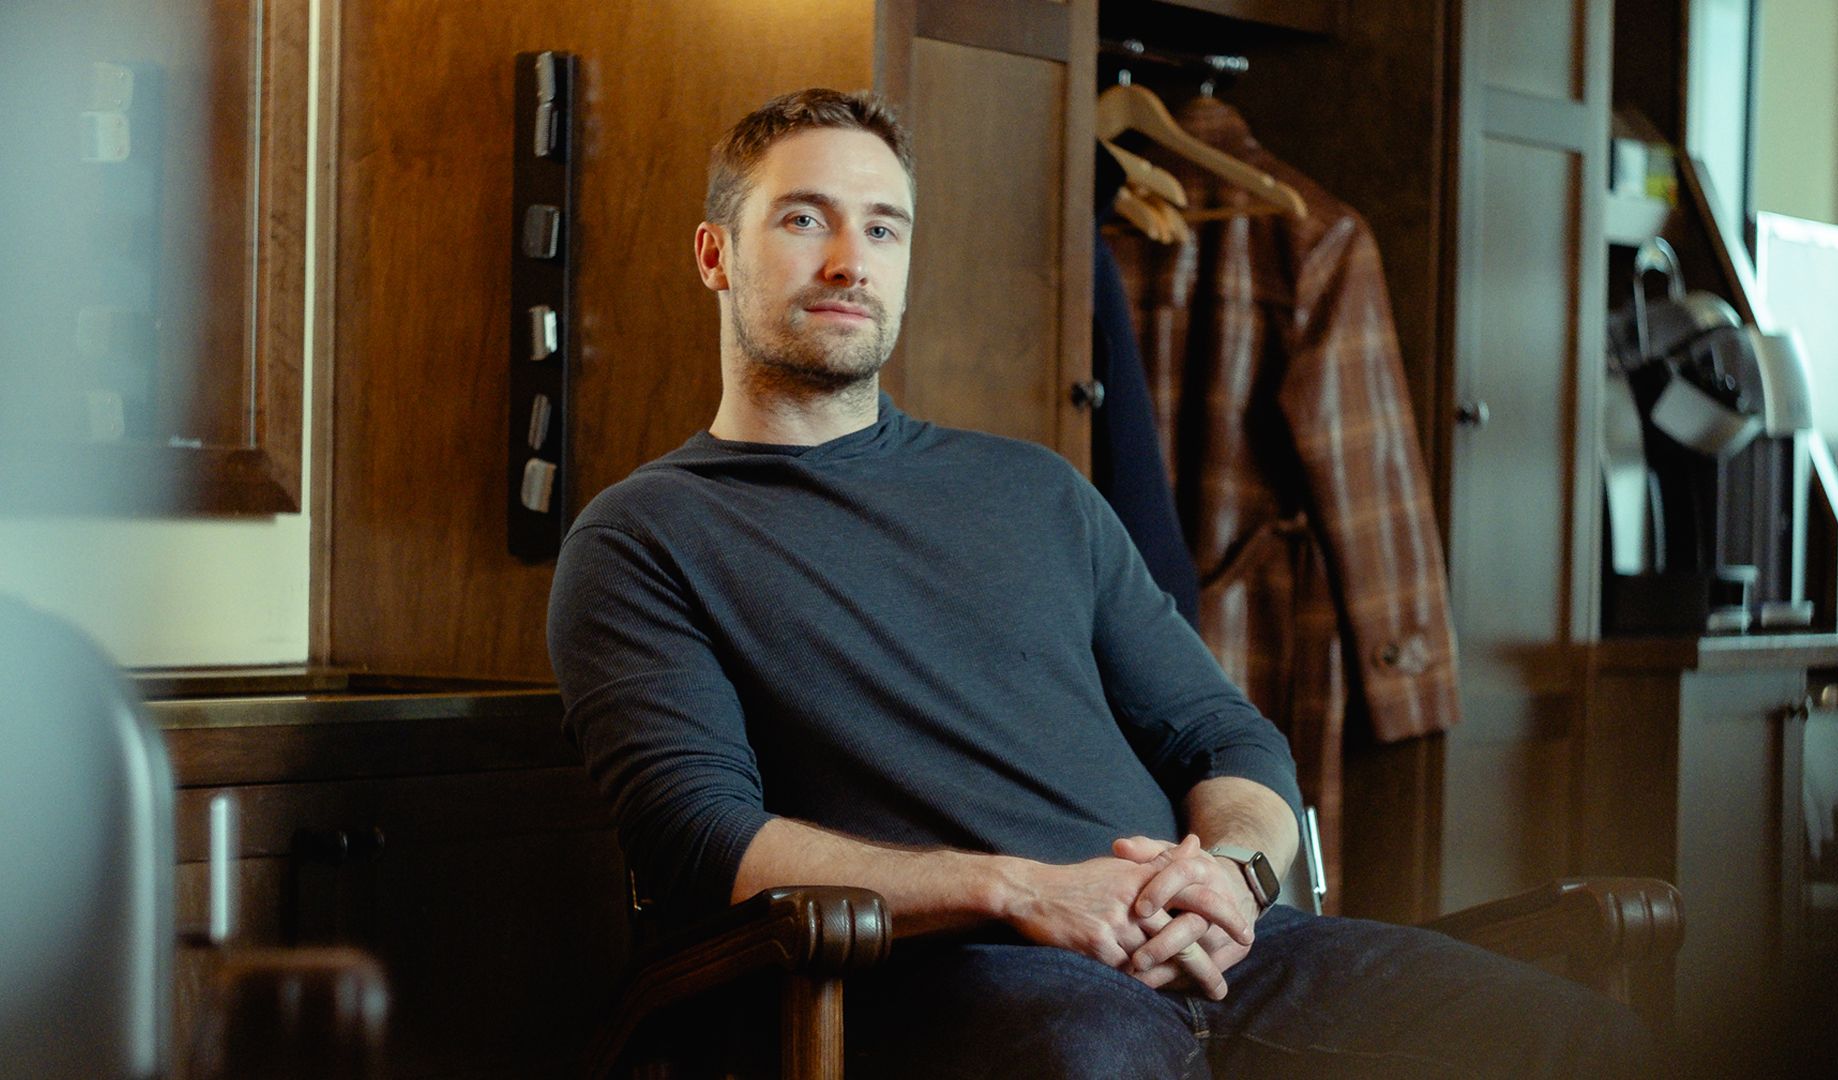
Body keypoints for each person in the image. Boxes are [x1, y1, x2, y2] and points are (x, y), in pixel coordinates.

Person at [548, 88, 1655, 1078]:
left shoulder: (1036, 490)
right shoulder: (645, 537)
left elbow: (1226, 736)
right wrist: (1023, 891)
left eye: (882, 227)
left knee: (1582, 1039)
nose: (850, 260)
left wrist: (1233, 877)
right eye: (804, 219)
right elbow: (704, 843)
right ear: (714, 255)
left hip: (1226, 948)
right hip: (953, 976)